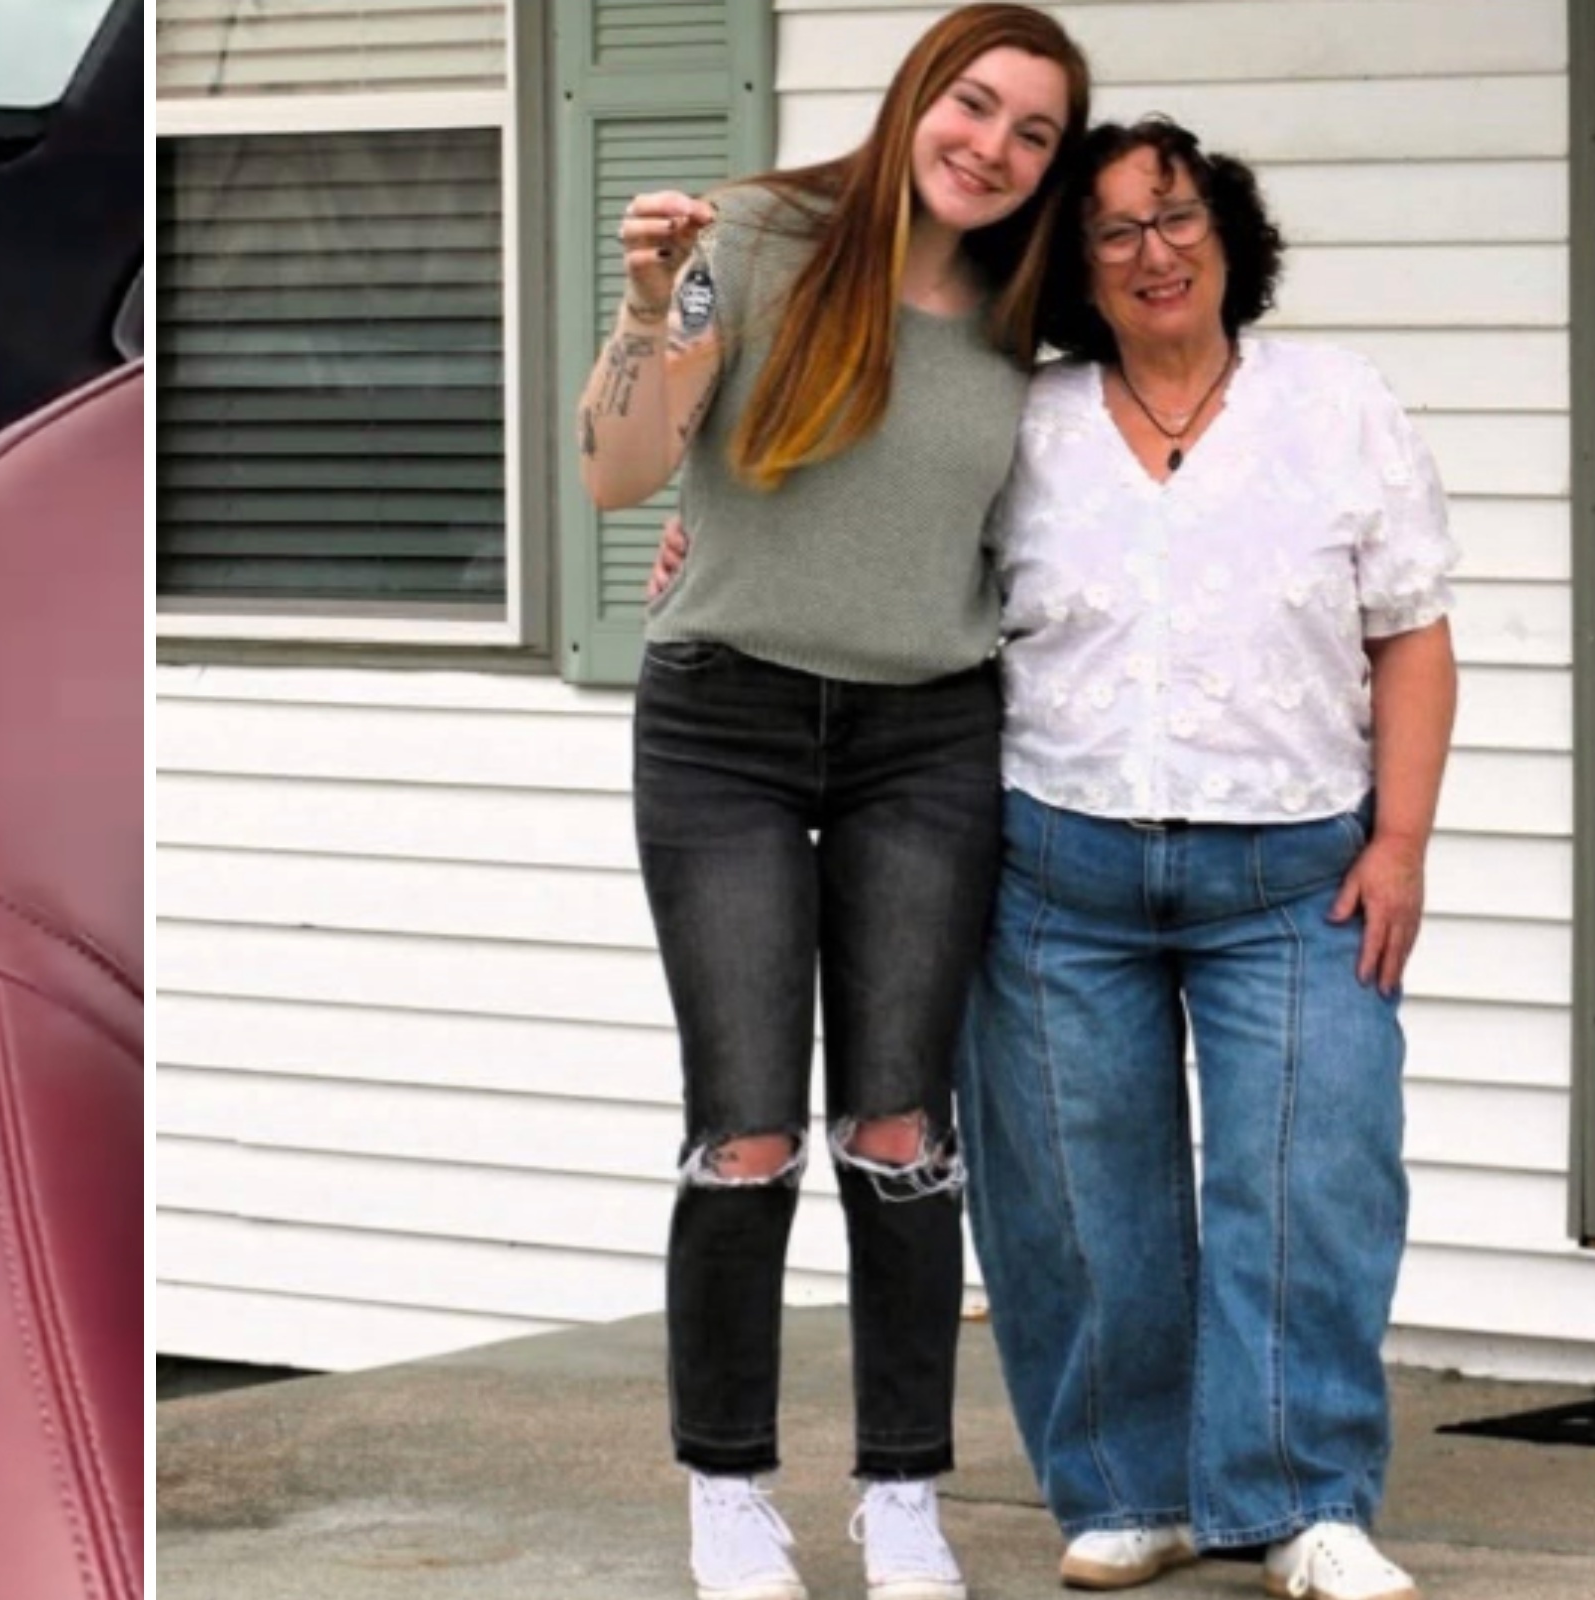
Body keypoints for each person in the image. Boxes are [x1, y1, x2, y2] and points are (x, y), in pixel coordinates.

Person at [579, 7, 1086, 1599]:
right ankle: (727, 1491)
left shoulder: (1032, 312)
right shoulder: (752, 236)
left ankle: (903, 1496)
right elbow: (618, 469)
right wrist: (650, 308)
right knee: (744, 1131)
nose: (992, 149)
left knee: (898, 1130)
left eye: (1033, 135)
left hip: (926, 737)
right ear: (917, 94)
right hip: (724, 720)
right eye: (975, 105)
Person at [959, 118, 1455, 1600]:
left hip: (1297, 877)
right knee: (1076, 1199)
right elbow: (870, 547)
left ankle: (1304, 1504)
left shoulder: (1338, 403)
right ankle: (1130, 1492)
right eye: (1113, 231)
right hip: (1056, 872)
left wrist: (1404, 845)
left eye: (1176, 217)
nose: (1153, 251)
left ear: (1228, 235)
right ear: (1077, 270)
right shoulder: (1019, 421)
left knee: (1310, 1184)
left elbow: (1411, 634)